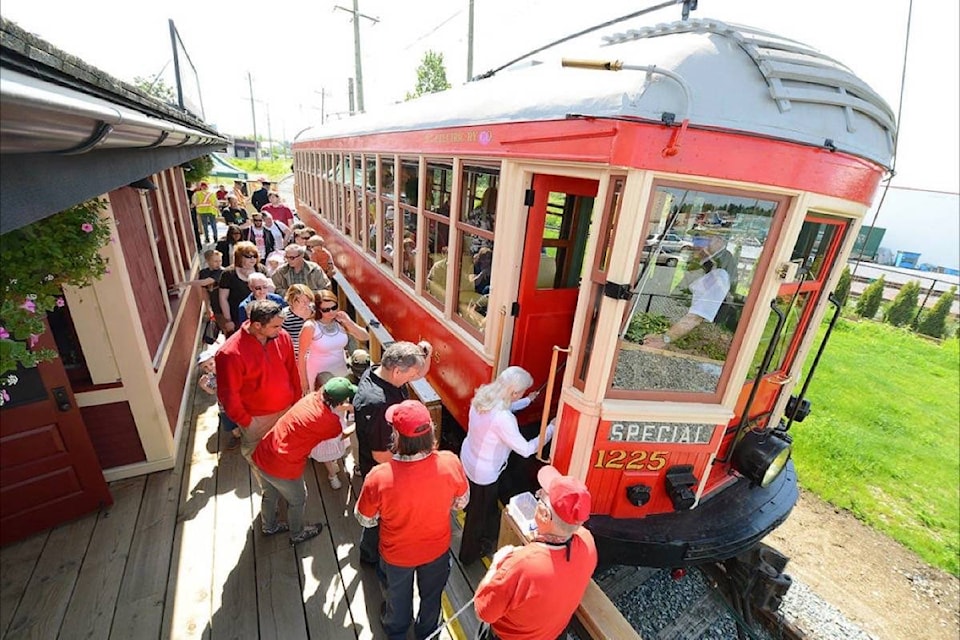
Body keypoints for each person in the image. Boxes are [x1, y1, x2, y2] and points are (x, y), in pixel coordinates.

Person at [355, 400, 469, 640]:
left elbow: (366, 519)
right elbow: (462, 502)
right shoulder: (450, 462)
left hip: (397, 555)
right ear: (431, 431)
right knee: (432, 596)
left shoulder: (379, 476)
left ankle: (396, 630)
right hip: (436, 550)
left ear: (396, 436)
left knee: (397, 597)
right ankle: (428, 632)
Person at [473, 465, 597, 640]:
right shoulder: (588, 541)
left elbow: (483, 613)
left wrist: (496, 565)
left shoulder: (519, 565)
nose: (537, 494)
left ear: (545, 515)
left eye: (540, 496)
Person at [458, 367, 553, 566]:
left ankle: (481, 536)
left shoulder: (484, 396)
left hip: (469, 458)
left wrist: (528, 401)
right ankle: (469, 554)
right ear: (514, 392)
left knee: (476, 504)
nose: (522, 394)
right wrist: (552, 428)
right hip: (484, 473)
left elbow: (505, 405)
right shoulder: (504, 419)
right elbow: (526, 449)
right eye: (522, 392)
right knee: (478, 515)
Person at [353, 340, 434, 565]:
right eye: (410, 375)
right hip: (384, 475)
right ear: (398, 370)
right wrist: (416, 466)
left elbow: (417, 372)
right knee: (380, 522)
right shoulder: (379, 405)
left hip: (384, 466)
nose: (414, 378)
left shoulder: (379, 371)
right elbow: (381, 456)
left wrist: (426, 354)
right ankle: (370, 556)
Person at [251, 376, 356, 544]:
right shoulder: (330, 422)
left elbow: (328, 406)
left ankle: (268, 526)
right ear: (338, 402)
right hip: (283, 466)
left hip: (264, 452)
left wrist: (346, 406)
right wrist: (357, 425)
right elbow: (340, 436)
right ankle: (297, 534)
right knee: (298, 499)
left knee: (270, 494)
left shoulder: (310, 398)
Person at [215, 300, 300, 464]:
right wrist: (247, 422)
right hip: (257, 420)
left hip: (287, 410)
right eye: (275, 326)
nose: (281, 330)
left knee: (287, 455)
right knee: (260, 461)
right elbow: (228, 395)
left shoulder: (282, 337)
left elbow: (292, 372)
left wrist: (295, 402)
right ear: (257, 325)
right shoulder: (229, 354)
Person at [643, 231, 735, 349]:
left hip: (693, 339)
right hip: (680, 327)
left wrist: (665, 338)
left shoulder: (719, 275)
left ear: (719, 242)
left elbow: (696, 317)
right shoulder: (708, 264)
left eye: (704, 239)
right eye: (696, 238)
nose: (695, 244)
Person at [298, 289, 368, 395]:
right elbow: (302, 356)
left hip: (341, 370)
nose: (331, 312)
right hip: (318, 373)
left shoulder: (341, 321)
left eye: (334, 307)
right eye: (326, 310)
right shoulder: (310, 326)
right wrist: (303, 382)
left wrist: (348, 322)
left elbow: (364, 337)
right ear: (318, 309)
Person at [218, 242, 269, 336]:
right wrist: (228, 320)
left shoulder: (261, 269)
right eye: (248, 256)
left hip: (261, 316)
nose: (253, 259)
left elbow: (270, 288)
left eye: (254, 256)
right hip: (237, 316)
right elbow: (223, 298)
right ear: (239, 257)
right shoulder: (229, 274)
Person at [197, 349, 241, 450]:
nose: (209, 368)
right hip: (224, 406)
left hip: (238, 402)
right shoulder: (210, 378)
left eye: (211, 364)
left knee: (245, 422)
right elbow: (213, 392)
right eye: (205, 367)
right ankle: (237, 436)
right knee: (232, 426)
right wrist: (204, 386)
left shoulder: (227, 370)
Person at [280, 283, 315, 359]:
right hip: (295, 358)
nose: (306, 304)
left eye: (308, 300)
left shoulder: (315, 312)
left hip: (316, 356)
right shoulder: (283, 316)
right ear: (291, 301)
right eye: (302, 301)